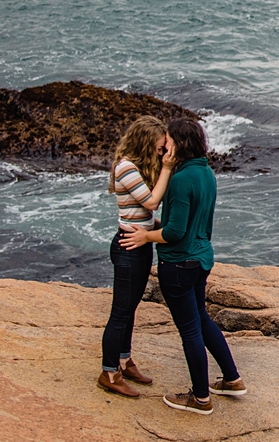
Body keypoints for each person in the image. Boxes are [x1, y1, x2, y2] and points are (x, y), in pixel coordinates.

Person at [121, 117, 247, 415]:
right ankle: (232, 379)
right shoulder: (206, 173)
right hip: (201, 258)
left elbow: (174, 232)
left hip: (178, 264)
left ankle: (200, 398)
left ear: (178, 143)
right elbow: (193, 223)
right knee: (202, 319)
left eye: (167, 141)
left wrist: (145, 235)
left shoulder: (179, 181)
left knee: (190, 330)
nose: (163, 147)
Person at [98, 116, 176, 398]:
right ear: (145, 143)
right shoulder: (127, 168)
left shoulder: (139, 167)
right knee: (120, 312)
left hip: (140, 244)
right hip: (128, 247)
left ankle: (124, 359)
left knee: (130, 309)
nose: (161, 153)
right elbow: (152, 202)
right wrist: (167, 168)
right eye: (158, 148)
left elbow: (145, 214)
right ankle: (109, 372)